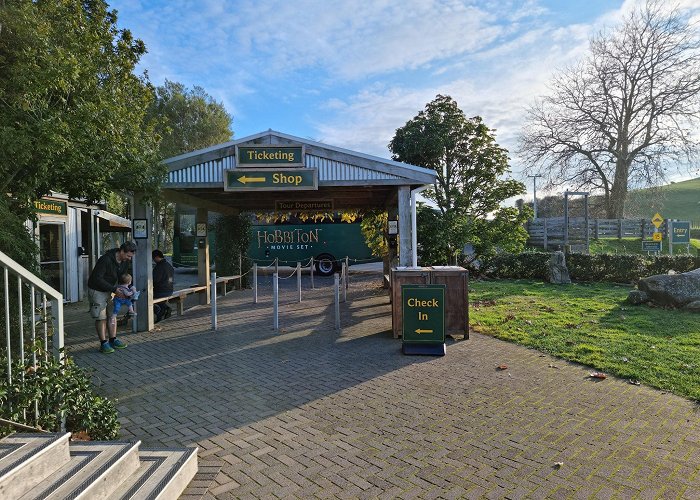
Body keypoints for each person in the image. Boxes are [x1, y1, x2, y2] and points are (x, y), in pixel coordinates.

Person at [88, 241, 136, 353]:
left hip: (110, 290)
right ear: (122, 251)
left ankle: (113, 339)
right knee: (101, 317)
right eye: (128, 256)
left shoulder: (124, 261)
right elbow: (97, 278)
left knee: (112, 315)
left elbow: (122, 277)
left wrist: (127, 288)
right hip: (97, 290)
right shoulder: (105, 260)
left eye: (131, 257)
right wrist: (115, 289)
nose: (129, 259)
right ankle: (103, 343)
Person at [152, 249, 174, 322]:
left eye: (153, 258)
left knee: (144, 299)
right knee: (158, 301)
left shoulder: (159, 267)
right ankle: (165, 308)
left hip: (161, 291)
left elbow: (155, 280)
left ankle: (161, 311)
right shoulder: (169, 265)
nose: (153, 260)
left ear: (157, 257)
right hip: (170, 290)